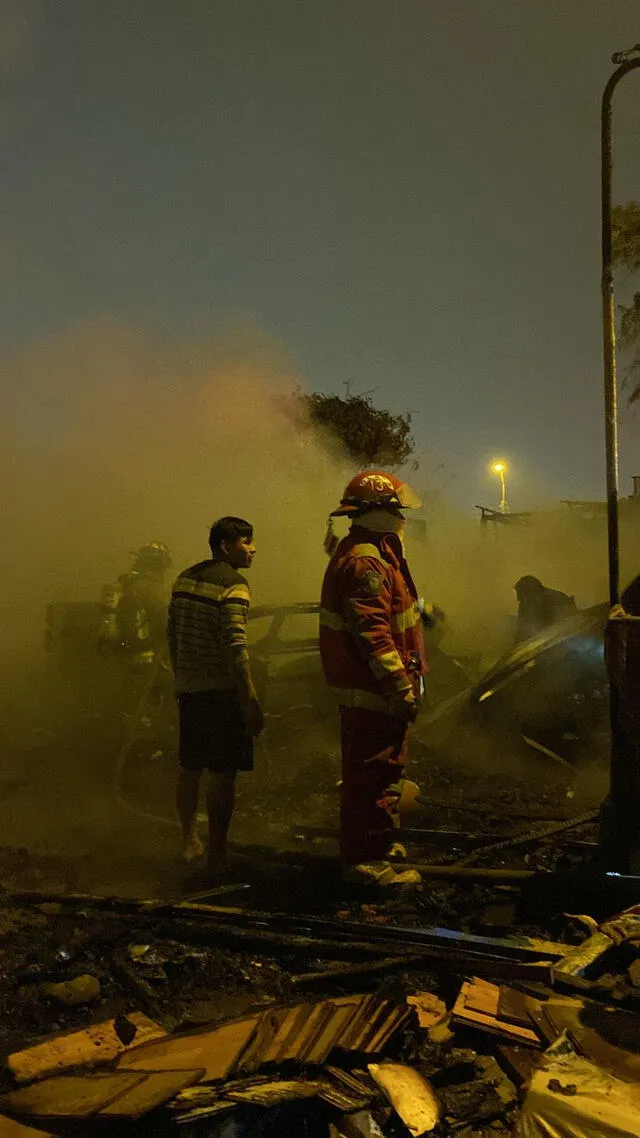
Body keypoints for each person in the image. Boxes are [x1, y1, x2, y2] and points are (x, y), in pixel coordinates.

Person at [319, 470, 428, 887]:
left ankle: (380, 845)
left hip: (376, 689)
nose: (402, 517)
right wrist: (399, 686)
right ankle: (365, 863)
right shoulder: (366, 560)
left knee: (386, 772)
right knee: (373, 774)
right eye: (395, 509)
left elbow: (391, 609)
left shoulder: (378, 551)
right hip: (373, 691)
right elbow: (373, 634)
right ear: (374, 511)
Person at [167, 517, 264, 872]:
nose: (253, 549)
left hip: (190, 690)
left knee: (190, 767)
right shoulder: (234, 585)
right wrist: (249, 697)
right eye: (246, 542)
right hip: (223, 693)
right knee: (223, 773)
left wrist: (182, 678)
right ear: (226, 546)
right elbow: (235, 645)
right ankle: (217, 854)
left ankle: (189, 840)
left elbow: (172, 632)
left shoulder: (183, 578)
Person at [514, 575, 577, 644]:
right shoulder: (527, 604)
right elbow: (520, 633)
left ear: (530, 592)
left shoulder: (554, 599)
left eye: (520, 594)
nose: (518, 598)